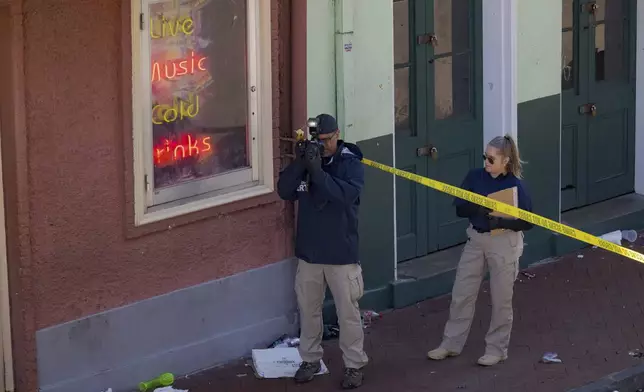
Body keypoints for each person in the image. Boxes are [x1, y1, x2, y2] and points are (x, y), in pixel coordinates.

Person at [277, 114, 368, 389]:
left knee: (348, 313)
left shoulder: (350, 163)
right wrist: (300, 163)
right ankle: (310, 359)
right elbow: (284, 190)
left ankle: (354, 365)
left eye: (327, 140)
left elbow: (344, 197)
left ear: (337, 134)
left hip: (341, 253)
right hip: (310, 253)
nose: (323, 145)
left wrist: (318, 173)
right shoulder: (309, 159)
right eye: (319, 141)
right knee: (309, 309)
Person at [427, 135, 534, 367]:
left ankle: (497, 349)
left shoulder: (516, 186)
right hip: (476, 239)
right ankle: (450, 344)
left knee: (501, 300)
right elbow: (460, 210)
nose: (486, 161)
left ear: (505, 160)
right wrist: (479, 203)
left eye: (491, 158)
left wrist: (501, 221)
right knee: (461, 293)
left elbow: (528, 221)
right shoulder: (475, 177)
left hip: (504, 242)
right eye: (485, 156)